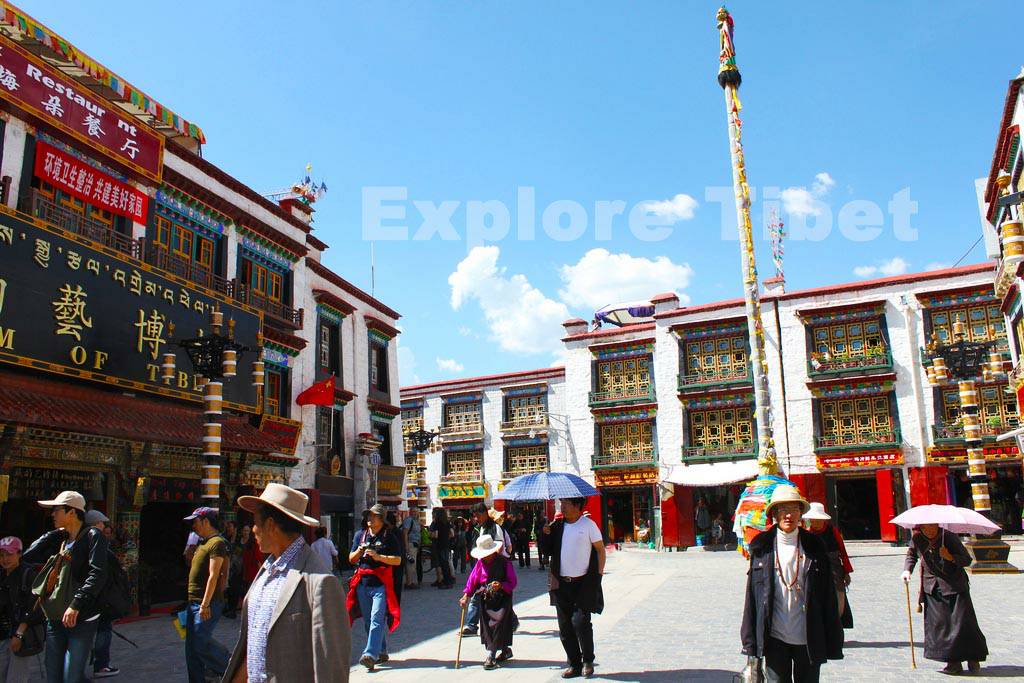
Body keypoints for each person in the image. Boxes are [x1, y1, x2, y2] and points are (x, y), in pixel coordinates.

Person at [223, 483, 350, 682]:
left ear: (271, 525)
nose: (253, 530)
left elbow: (331, 667)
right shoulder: (266, 571)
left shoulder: (320, 583)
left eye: (256, 523)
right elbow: (255, 644)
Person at [740, 485, 843, 683]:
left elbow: (827, 596)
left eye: (794, 509)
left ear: (801, 513)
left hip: (808, 634)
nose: (789, 515)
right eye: (783, 509)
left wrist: (833, 636)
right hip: (775, 636)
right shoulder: (761, 548)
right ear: (775, 514)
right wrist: (750, 644)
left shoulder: (814, 546)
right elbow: (752, 599)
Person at [23, 491, 109, 683]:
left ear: (72, 512)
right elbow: (28, 555)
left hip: (82, 617)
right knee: (53, 673)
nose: (52, 514)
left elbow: (98, 574)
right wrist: (55, 533)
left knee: (72, 675)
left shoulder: (94, 536)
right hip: (56, 616)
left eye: (56, 510)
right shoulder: (61, 539)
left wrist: (76, 604)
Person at [902, 524, 988, 675]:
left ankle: (973, 658)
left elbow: (967, 560)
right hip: (932, 588)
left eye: (932, 527)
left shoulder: (948, 537)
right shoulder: (917, 539)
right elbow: (911, 555)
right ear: (920, 528)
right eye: (925, 528)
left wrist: (950, 556)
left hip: (955, 586)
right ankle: (952, 661)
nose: (929, 530)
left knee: (963, 625)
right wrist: (907, 570)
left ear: (937, 525)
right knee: (941, 626)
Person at [539, 497, 606, 679]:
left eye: (566, 504)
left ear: (577, 506)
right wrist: (545, 534)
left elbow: (600, 549)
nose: (563, 507)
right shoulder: (557, 526)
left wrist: (598, 574)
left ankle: (587, 661)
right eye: (562, 504)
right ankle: (574, 663)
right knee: (565, 627)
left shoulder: (588, 525)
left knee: (581, 623)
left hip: (583, 583)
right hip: (562, 583)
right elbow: (547, 551)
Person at [346, 504, 402, 672]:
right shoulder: (360, 536)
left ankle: (370, 654)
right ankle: (382, 651)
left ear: (381, 519)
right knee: (369, 621)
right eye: (368, 516)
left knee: (377, 618)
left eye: (373, 516)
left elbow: (397, 560)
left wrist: (379, 557)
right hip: (362, 584)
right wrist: (359, 551)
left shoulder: (389, 537)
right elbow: (351, 559)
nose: (369, 519)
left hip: (381, 584)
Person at [182, 507, 230, 683]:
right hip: (192, 601)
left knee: (200, 642)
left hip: (205, 603)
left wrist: (205, 604)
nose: (193, 526)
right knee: (191, 648)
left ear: (206, 521)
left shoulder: (218, 543)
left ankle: (230, 666)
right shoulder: (202, 542)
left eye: (195, 522)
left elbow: (215, 574)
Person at [459, 534, 518, 670]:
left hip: (502, 599)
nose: (484, 557)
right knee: (488, 627)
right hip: (486, 599)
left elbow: (512, 582)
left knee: (499, 625)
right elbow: (473, 580)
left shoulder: (504, 562)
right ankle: (505, 650)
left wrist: (501, 585)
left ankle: (491, 656)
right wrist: (466, 596)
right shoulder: (480, 563)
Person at [462, 503, 513, 636]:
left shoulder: (495, 528)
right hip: (480, 565)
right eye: (474, 516)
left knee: (496, 598)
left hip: (494, 568)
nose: (476, 518)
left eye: (477, 515)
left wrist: (496, 566)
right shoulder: (478, 528)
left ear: (484, 513)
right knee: (478, 595)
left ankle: (472, 625)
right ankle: (472, 625)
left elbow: (499, 547)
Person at [803, 502, 854, 627]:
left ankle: (836, 625)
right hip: (815, 571)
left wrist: (846, 572)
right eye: (813, 519)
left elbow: (843, 552)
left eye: (818, 519)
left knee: (838, 599)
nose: (815, 522)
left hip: (834, 570)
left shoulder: (833, 532)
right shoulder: (806, 533)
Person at [82, 510, 118, 679]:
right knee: (103, 628)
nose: (104, 528)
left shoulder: (80, 544)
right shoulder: (97, 546)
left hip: (88, 596)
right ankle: (101, 664)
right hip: (98, 596)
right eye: (102, 524)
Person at [0, 536, 41, 683]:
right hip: (3, 634)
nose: (5, 559)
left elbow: (33, 606)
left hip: (21, 634)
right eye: (2, 555)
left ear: (19, 554)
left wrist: (19, 634)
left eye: (9, 554)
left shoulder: (27, 574)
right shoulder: (2, 574)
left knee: (16, 678)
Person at [428, 508, 454, 589]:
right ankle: (449, 582)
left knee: (443, 564)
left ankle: (446, 582)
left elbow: (435, 535)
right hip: (446, 545)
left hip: (439, 545)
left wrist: (430, 535)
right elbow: (452, 534)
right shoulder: (447, 522)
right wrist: (446, 537)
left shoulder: (437, 523)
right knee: (446, 564)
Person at [385, 512, 405, 605]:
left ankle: (395, 603)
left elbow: (400, 549)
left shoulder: (396, 533)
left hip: (396, 562)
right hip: (391, 562)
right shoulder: (389, 532)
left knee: (396, 583)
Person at [399, 513, 421, 589]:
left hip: (414, 544)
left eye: (417, 511)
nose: (416, 513)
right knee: (410, 564)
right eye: (414, 511)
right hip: (410, 544)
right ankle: (409, 583)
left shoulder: (416, 521)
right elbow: (405, 533)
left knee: (412, 564)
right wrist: (406, 546)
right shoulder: (409, 520)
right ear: (411, 512)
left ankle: (410, 581)